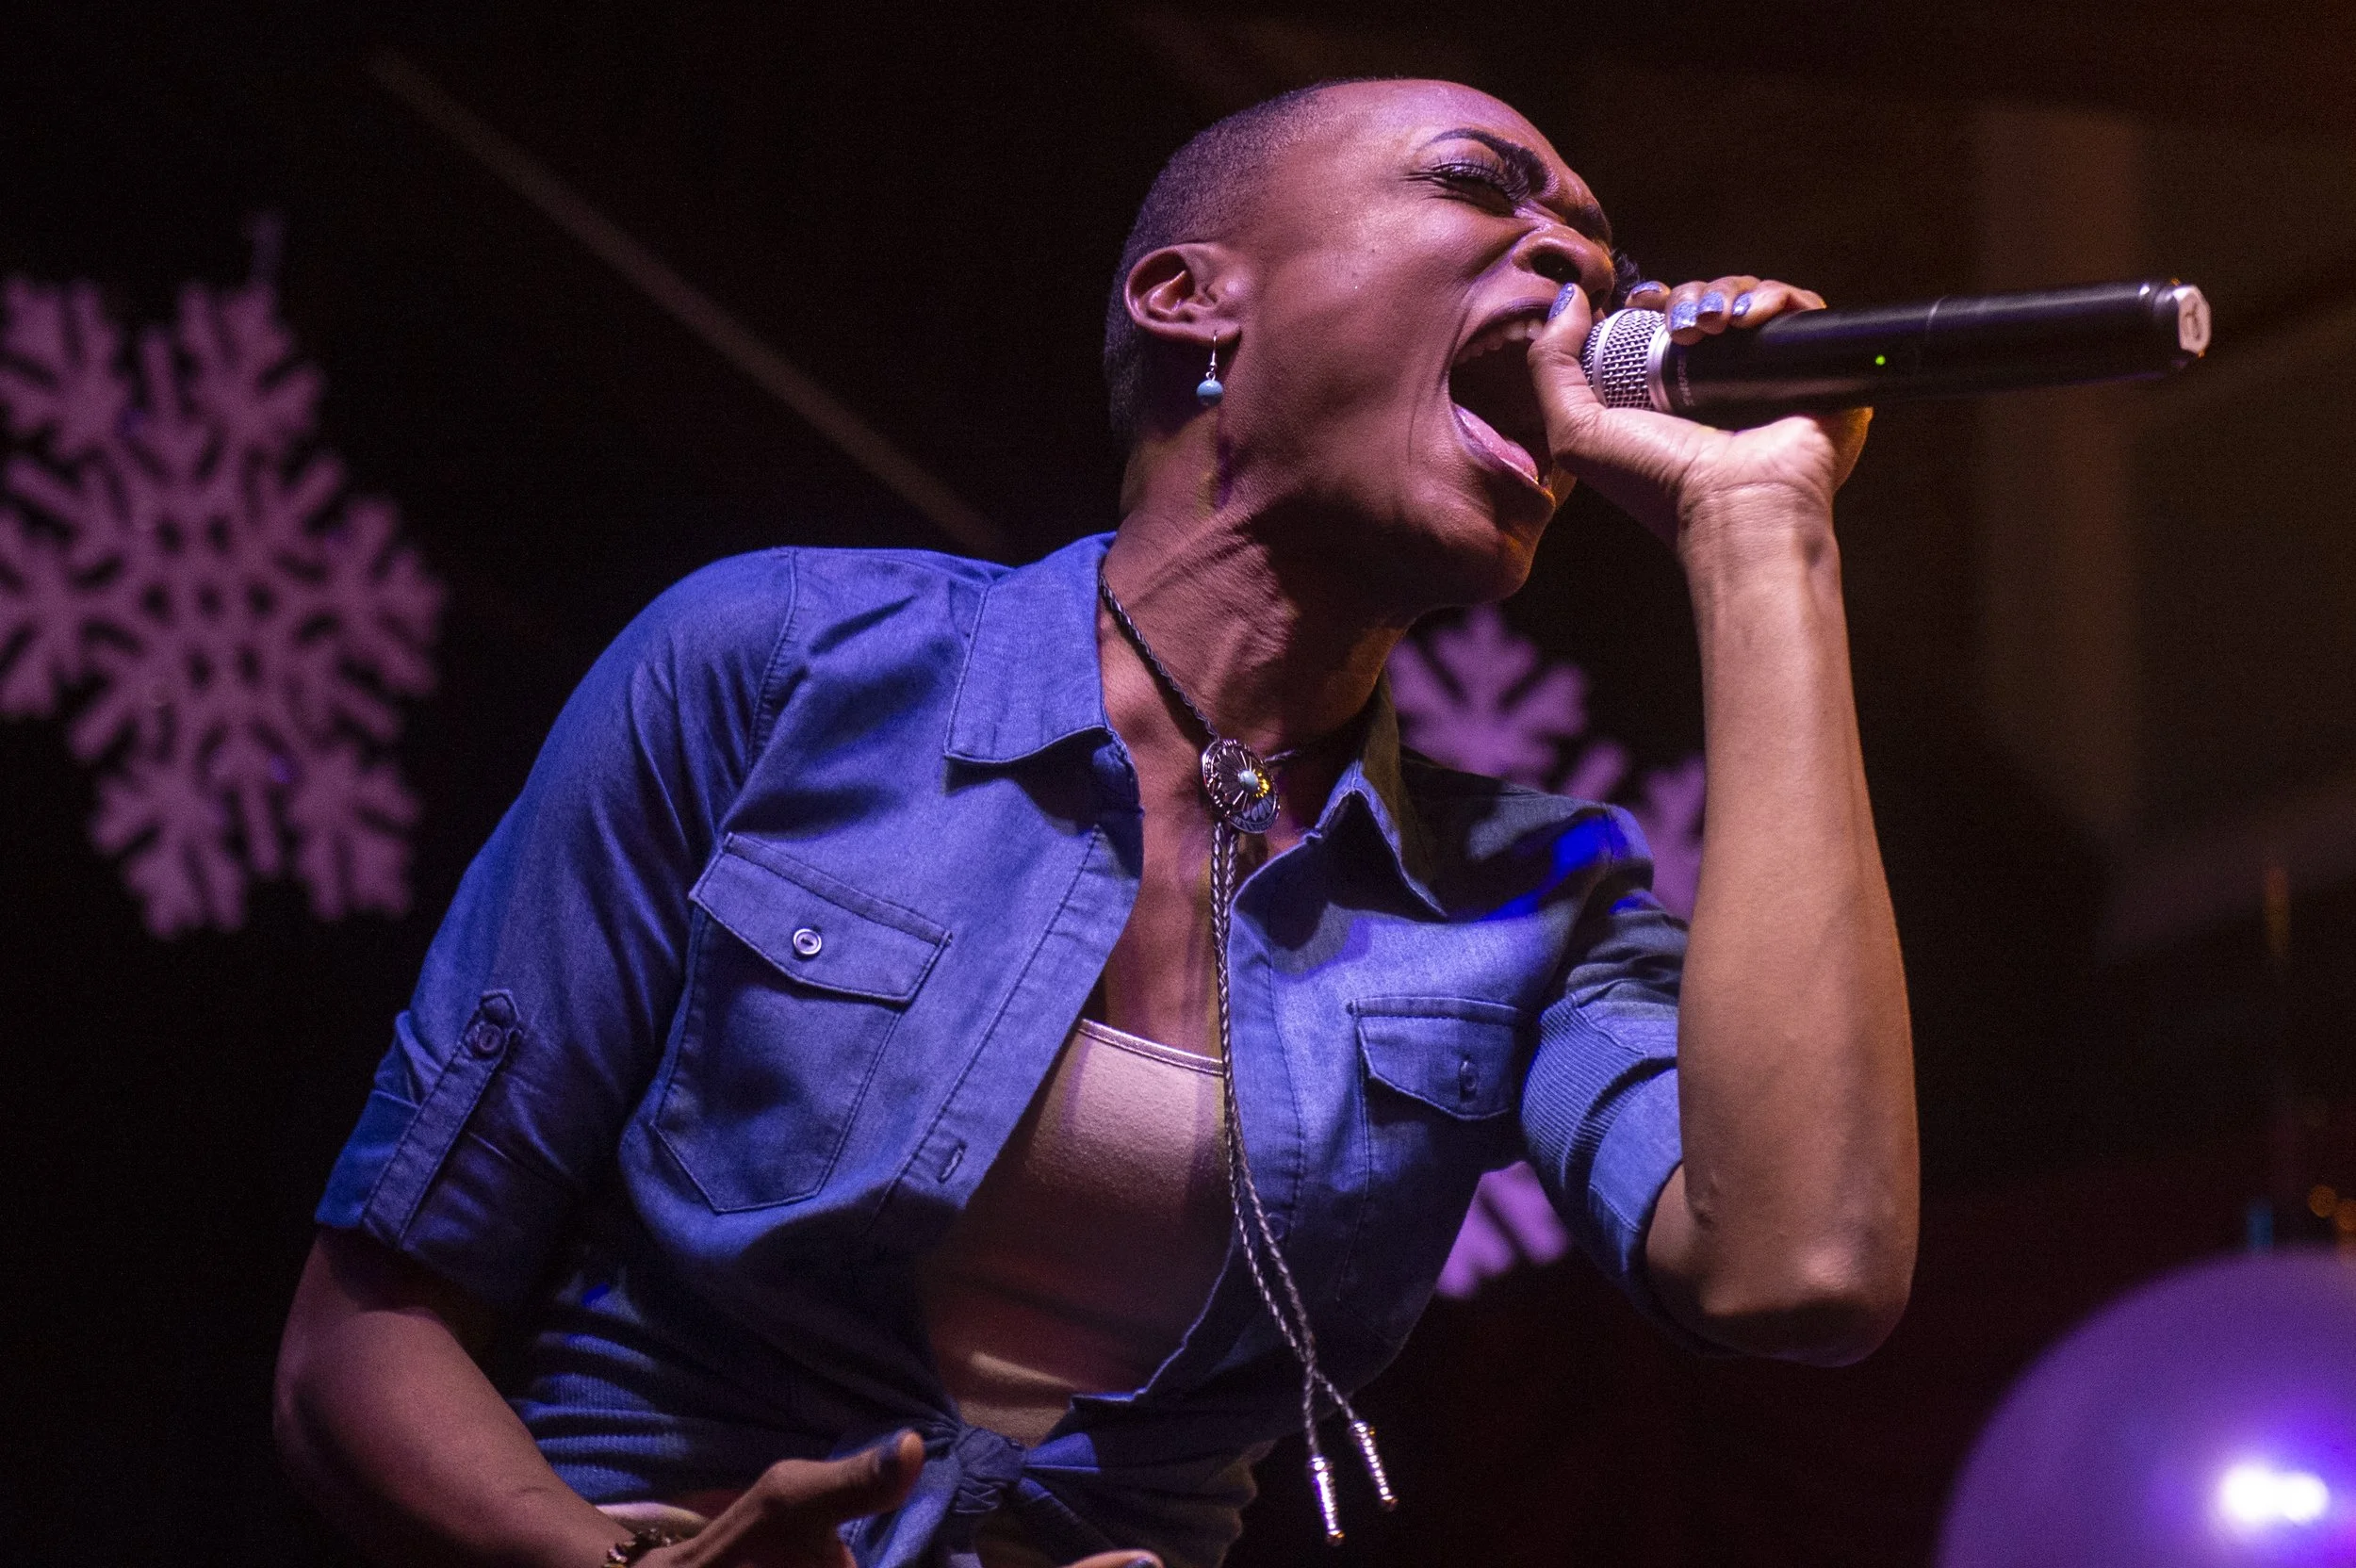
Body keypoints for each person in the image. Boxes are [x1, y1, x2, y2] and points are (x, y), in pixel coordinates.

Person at [274, 76, 1917, 1568]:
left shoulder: (1529, 897)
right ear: (1193, 300)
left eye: (1600, 252)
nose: (1579, 273)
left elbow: (1800, 1269)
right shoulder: (781, 669)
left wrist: (1762, 526)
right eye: (1483, 187)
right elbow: (368, 1331)